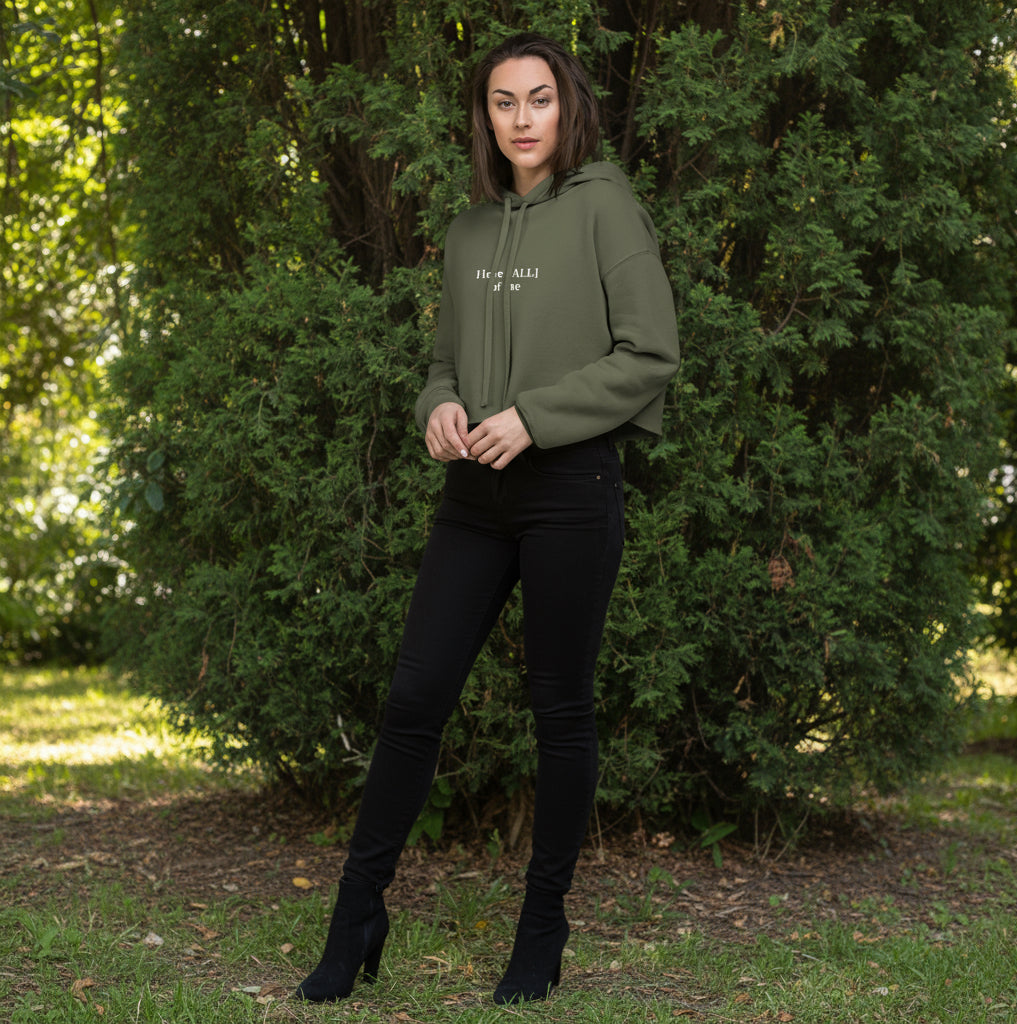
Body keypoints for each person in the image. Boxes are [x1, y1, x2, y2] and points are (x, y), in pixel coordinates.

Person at [295, 31, 679, 1005]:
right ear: (484, 116)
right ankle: (356, 919)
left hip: (568, 493)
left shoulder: (605, 208)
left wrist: (536, 418)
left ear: (569, 107)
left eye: (538, 100)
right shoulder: (468, 233)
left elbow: (649, 352)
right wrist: (438, 408)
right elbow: (443, 365)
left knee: (560, 708)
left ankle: (540, 929)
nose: (521, 120)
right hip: (471, 500)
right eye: (502, 103)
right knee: (413, 701)